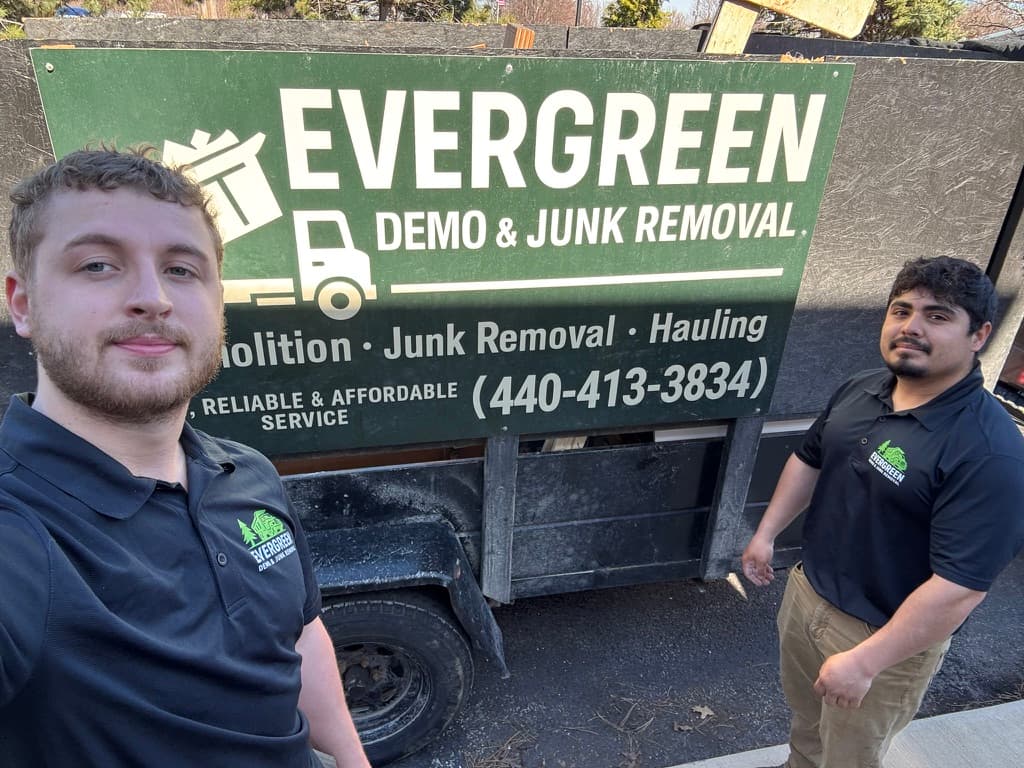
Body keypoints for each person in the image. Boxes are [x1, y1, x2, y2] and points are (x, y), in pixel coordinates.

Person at [0, 148, 371, 768]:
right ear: (23, 304)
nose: (152, 298)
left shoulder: (245, 472)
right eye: (97, 265)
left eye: (181, 270)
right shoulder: (18, 530)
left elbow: (300, 637)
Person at [741, 256, 1024, 768]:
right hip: (808, 594)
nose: (911, 327)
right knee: (806, 728)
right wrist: (766, 533)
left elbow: (960, 586)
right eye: (901, 310)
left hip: (881, 640)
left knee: (848, 758)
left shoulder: (990, 452)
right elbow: (809, 458)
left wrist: (866, 661)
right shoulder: (862, 388)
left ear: (980, 335)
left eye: (937, 316)